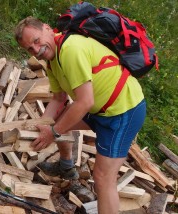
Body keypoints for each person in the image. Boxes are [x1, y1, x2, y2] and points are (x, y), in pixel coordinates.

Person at [14, 16, 146, 214]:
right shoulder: (52, 62)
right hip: (99, 110)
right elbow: (59, 99)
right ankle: (66, 166)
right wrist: (41, 126)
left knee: (103, 179)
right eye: (30, 49)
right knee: (58, 121)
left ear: (48, 29)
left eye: (36, 40)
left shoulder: (70, 49)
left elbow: (84, 102)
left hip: (123, 111)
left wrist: (53, 132)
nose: (36, 49)